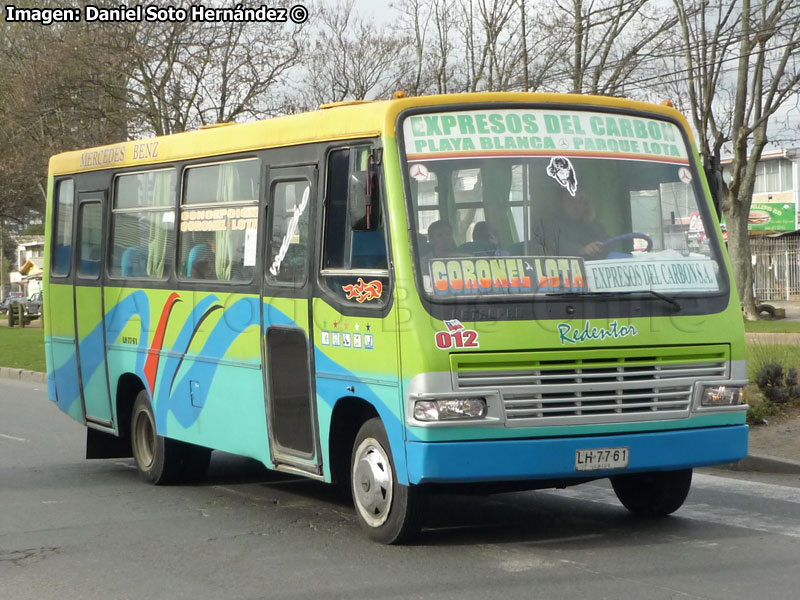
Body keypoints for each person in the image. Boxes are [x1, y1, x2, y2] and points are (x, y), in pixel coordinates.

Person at [551, 189, 608, 258]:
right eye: (571, 200)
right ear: (560, 203)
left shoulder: (587, 223)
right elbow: (553, 246)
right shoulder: (551, 223)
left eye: (581, 201)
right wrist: (581, 250)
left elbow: (606, 244)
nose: (577, 205)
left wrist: (592, 222)